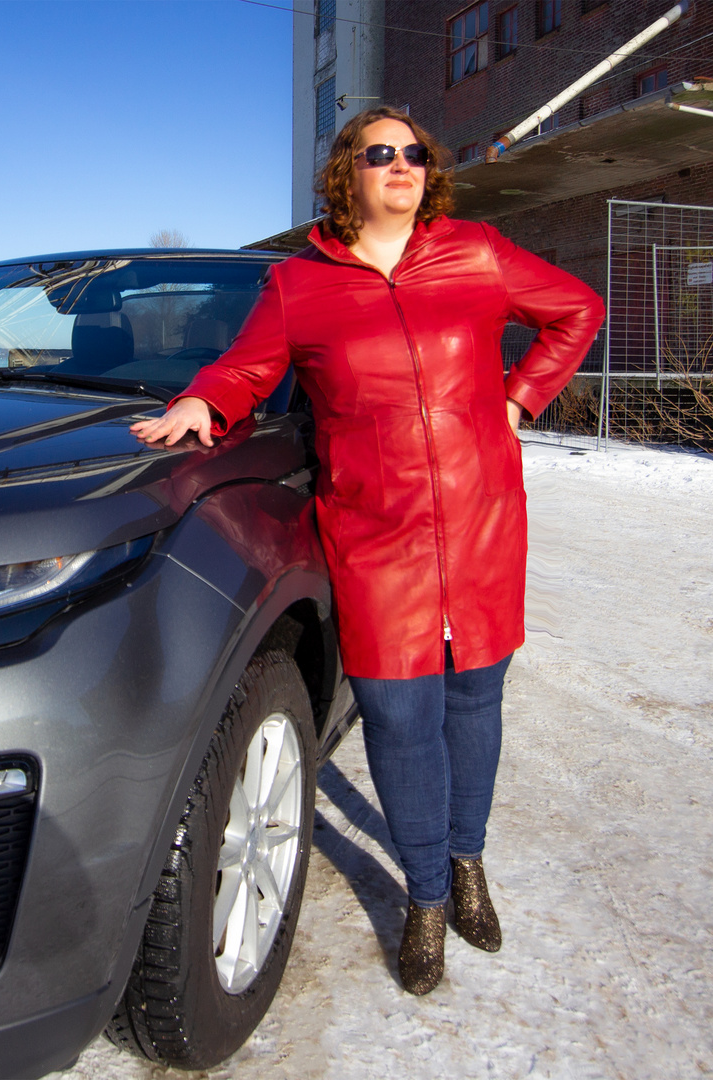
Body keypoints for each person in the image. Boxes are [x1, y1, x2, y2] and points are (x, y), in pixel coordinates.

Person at [131, 106, 603, 995]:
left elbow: (578, 310)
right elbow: (245, 368)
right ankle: (426, 895)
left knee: (474, 698)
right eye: (379, 153)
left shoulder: (477, 252)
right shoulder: (300, 284)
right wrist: (203, 402)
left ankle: (468, 862)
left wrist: (517, 401)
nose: (400, 165)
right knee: (396, 715)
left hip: (482, 517)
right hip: (374, 530)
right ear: (347, 173)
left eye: (414, 153)